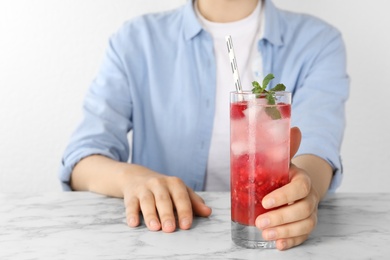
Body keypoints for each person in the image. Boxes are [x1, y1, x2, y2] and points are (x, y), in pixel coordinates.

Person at [59, 0, 349, 251]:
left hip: (269, 235)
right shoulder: (134, 40)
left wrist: (304, 190)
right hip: (163, 238)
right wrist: (134, 179)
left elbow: (317, 147)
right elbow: (81, 160)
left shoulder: (318, 42)